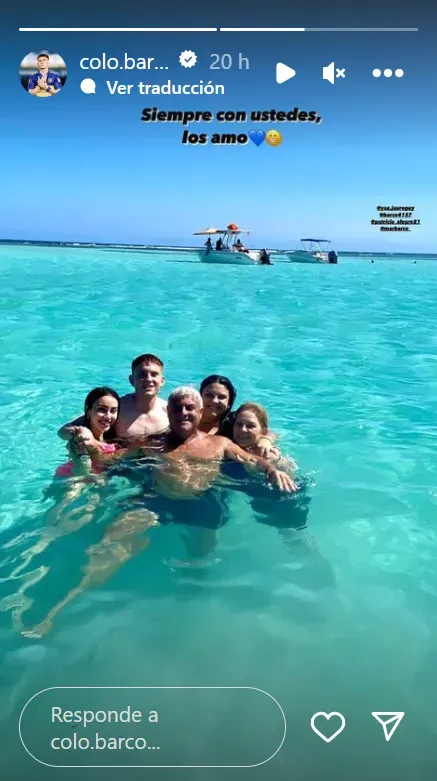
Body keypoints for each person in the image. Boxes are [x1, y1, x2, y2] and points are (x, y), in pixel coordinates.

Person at [23, 387, 296, 637]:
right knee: (107, 547)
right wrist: (88, 450)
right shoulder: (151, 443)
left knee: (200, 559)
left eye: (190, 408)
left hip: (200, 504)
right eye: (177, 408)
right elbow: (110, 459)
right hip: (156, 500)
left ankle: (192, 605)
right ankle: (62, 607)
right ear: (168, 412)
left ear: (200, 412)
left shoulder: (220, 444)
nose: (183, 412)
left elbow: (250, 459)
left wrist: (271, 469)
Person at [58, 353, 169, 445]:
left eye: (154, 374)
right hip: (120, 462)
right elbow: (63, 432)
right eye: (142, 375)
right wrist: (80, 432)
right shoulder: (116, 408)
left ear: (162, 381)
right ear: (131, 380)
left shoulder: (169, 410)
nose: (148, 379)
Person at [198, 375, 276, 457]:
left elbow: (267, 431)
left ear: (229, 402)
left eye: (221, 397)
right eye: (209, 395)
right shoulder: (189, 417)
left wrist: (265, 440)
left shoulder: (233, 421)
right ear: (199, 396)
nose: (215, 400)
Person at [55, 387, 121, 477]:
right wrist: (76, 431)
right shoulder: (83, 437)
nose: (108, 416)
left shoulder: (111, 436)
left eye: (113, 411)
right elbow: (81, 471)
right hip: (72, 476)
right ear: (88, 411)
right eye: (101, 409)